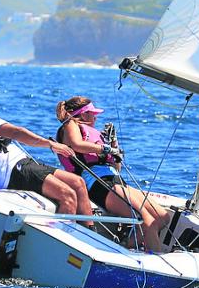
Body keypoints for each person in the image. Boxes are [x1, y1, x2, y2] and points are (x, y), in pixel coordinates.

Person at [0, 70, 93, 226]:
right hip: (14, 172)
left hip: (22, 166)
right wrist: (51, 144)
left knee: (78, 183)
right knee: (67, 196)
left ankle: (91, 232)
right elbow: (17, 132)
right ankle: (65, 243)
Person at [55, 96, 170, 252]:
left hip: (115, 180)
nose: (95, 117)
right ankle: (154, 261)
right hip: (99, 183)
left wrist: (113, 143)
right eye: (92, 113)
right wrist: (105, 149)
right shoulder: (71, 124)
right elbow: (76, 145)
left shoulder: (95, 136)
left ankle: (128, 246)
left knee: (162, 217)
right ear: (82, 115)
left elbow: (117, 166)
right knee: (146, 221)